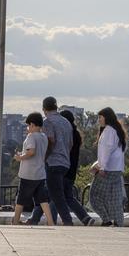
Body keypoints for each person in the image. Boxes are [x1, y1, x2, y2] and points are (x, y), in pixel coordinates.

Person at [29, 109, 93, 226]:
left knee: (51, 195)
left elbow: (53, 146)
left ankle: (44, 219)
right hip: (70, 171)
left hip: (58, 168)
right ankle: (85, 218)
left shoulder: (63, 136)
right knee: (66, 196)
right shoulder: (75, 135)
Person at [12, 113, 54, 226]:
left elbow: (31, 152)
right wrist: (24, 153)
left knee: (20, 199)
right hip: (40, 173)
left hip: (28, 174)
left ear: (32, 124)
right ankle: (50, 222)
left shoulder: (31, 137)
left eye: (27, 126)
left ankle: (15, 221)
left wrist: (19, 157)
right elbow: (38, 153)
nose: (27, 128)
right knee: (42, 199)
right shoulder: (44, 137)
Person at [89, 107, 126, 227]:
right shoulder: (117, 130)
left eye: (100, 117)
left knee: (94, 196)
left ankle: (106, 219)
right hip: (117, 169)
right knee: (115, 199)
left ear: (106, 117)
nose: (99, 120)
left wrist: (102, 167)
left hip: (107, 170)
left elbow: (105, 151)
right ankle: (118, 223)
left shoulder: (108, 131)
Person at [40, 96, 75, 226]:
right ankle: (35, 218)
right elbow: (71, 144)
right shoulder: (66, 122)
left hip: (53, 162)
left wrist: (44, 157)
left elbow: (50, 141)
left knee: (57, 195)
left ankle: (67, 221)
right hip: (65, 162)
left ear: (44, 109)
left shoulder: (47, 121)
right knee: (51, 193)